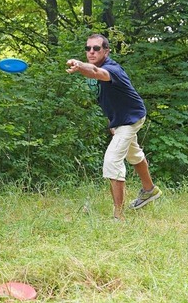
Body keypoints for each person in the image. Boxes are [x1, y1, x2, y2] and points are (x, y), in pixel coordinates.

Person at [66, 34, 161, 220]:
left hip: (131, 118)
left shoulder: (111, 69)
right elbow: (109, 97)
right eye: (88, 49)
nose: (91, 52)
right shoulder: (98, 67)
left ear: (106, 51)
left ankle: (119, 216)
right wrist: (113, 120)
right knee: (133, 154)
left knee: (112, 160)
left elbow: (95, 72)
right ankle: (149, 190)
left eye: (96, 48)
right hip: (122, 119)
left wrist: (79, 65)